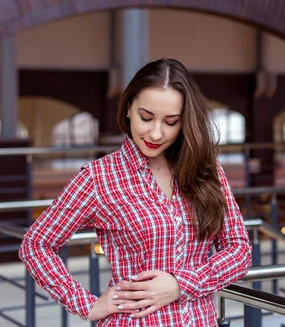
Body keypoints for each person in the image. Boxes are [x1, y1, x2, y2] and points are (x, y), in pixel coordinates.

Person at [19, 58, 252, 326]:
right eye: (146, 117)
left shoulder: (207, 171)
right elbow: (36, 244)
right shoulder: (99, 178)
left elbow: (239, 251)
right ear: (129, 108)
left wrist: (180, 284)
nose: (155, 133)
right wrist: (87, 304)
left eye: (171, 122)